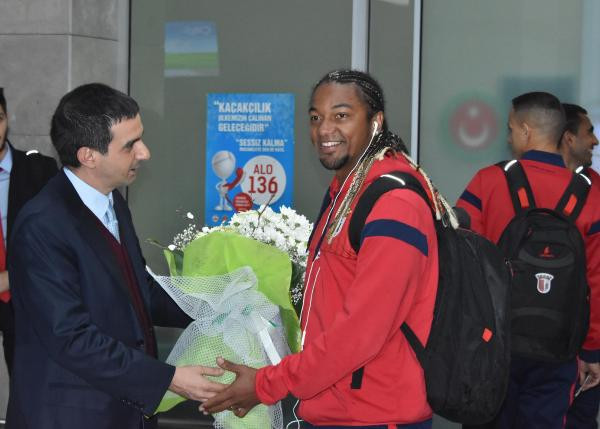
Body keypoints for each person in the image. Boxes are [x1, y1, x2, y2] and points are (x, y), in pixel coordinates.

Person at [202, 69, 439, 428]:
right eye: (316, 118)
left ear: (376, 121)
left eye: (341, 115)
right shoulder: (346, 190)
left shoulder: (394, 203)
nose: (324, 129)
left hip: (374, 416)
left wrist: (267, 384)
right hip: (334, 408)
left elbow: (361, 333)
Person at [6, 83, 226, 429]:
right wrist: (168, 378)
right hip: (71, 416)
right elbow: (72, 338)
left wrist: (220, 304)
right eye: (130, 145)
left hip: (123, 411)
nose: (145, 153)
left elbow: (139, 290)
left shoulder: (113, 201)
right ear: (88, 156)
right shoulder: (42, 225)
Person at [456, 92, 600, 429]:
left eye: (510, 129)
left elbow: (460, 256)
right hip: (559, 348)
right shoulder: (591, 193)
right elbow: (595, 280)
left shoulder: (488, 181)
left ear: (525, 130)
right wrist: (592, 351)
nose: (509, 138)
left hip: (493, 343)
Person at [0, 87, 58, 374]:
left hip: (25, 298)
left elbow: (58, 242)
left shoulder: (40, 170)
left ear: (7, 119)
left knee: (28, 384)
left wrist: (12, 277)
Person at [561, 102, 600, 429]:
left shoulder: (596, 187)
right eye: (589, 132)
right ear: (569, 138)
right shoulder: (594, 192)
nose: (595, 141)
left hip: (579, 342)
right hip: (563, 346)